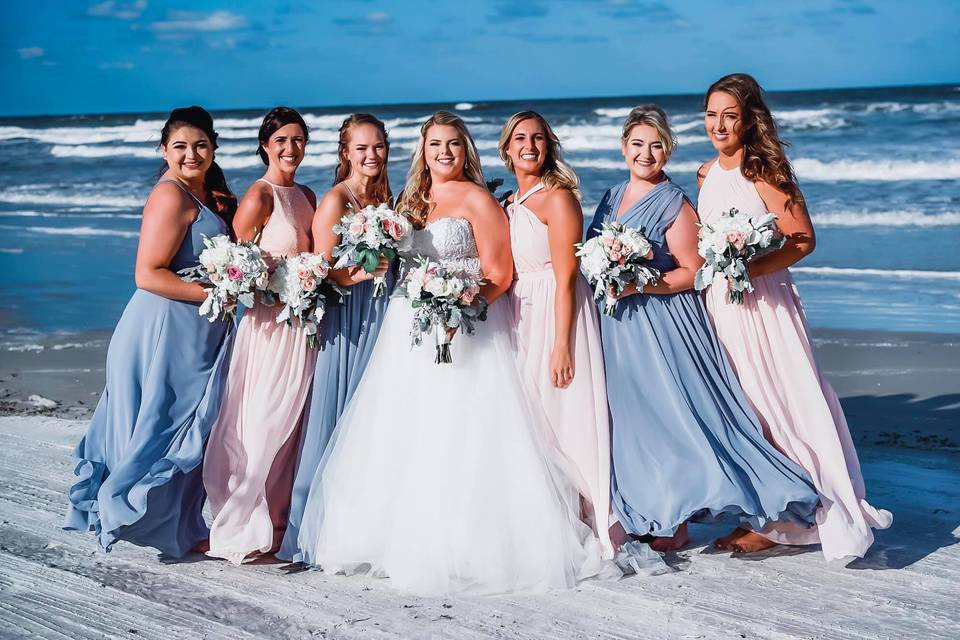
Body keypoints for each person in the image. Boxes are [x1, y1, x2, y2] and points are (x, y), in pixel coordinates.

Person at [297, 111, 617, 595]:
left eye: (452, 144)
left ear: (464, 150)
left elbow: (500, 274)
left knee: (465, 432)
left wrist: (460, 305)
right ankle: (400, 534)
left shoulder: (478, 199)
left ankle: (469, 541)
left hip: (463, 331)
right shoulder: (410, 202)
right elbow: (383, 261)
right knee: (409, 431)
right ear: (422, 153)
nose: (443, 152)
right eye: (434, 145)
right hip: (409, 330)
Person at [591, 105, 819, 552]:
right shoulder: (611, 195)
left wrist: (641, 282)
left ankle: (732, 508)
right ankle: (660, 515)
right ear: (623, 147)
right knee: (638, 422)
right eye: (638, 144)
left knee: (679, 418)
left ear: (668, 151)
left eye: (656, 145)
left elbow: (692, 272)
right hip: (619, 328)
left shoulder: (674, 202)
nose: (646, 153)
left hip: (661, 321)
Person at [698, 74, 892, 557]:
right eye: (711, 114)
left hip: (765, 305)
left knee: (784, 400)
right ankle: (768, 514)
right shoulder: (704, 173)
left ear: (747, 121)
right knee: (746, 409)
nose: (719, 125)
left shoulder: (763, 169)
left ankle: (806, 514)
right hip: (721, 306)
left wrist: (748, 266)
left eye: (729, 115)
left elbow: (803, 240)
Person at [65, 106, 237, 558]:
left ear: (214, 146)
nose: (191, 154)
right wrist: (217, 294)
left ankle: (174, 529)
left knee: (182, 426)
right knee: (162, 426)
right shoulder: (171, 196)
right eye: (179, 146)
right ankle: (124, 511)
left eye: (200, 144)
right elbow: (147, 274)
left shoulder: (201, 196)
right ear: (164, 150)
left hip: (188, 332)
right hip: (162, 330)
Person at [203, 107, 318, 564]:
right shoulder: (259, 196)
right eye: (282, 140)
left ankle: (276, 523)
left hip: (304, 326)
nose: (292, 149)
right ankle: (240, 524)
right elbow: (237, 272)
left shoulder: (307, 193)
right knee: (263, 421)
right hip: (268, 330)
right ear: (266, 145)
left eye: (299, 140)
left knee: (293, 427)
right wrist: (275, 288)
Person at [277, 114, 394, 562]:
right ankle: (314, 533)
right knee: (337, 418)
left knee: (373, 422)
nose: (371, 156)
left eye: (378, 147)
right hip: (349, 321)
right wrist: (365, 270)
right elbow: (322, 274)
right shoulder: (335, 201)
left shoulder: (384, 198)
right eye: (362, 148)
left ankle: (367, 525)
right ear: (346, 152)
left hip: (382, 313)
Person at [499, 110, 613, 557]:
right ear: (506, 149)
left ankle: (593, 514)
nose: (530, 145)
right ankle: (550, 512)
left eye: (538, 138)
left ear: (549, 146)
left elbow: (568, 276)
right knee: (534, 417)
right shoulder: (511, 202)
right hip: (521, 312)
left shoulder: (558, 198)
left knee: (565, 413)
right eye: (520, 138)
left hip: (557, 311)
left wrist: (562, 343)